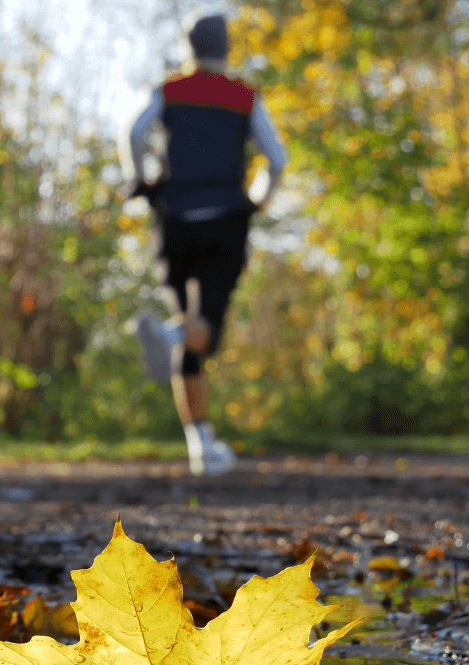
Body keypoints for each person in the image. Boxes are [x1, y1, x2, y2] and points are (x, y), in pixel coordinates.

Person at [125, 13, 287, 476]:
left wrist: (142, 179)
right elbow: (277, 159)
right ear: (227, 48)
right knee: (203, 329)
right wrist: (258, 199)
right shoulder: (244, 97)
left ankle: (202, 445)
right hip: (225, 221)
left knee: (190, 333)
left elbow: (135, 134)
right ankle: (172, 335)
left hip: (175, 217)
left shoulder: (169, 90)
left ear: (187, 46)